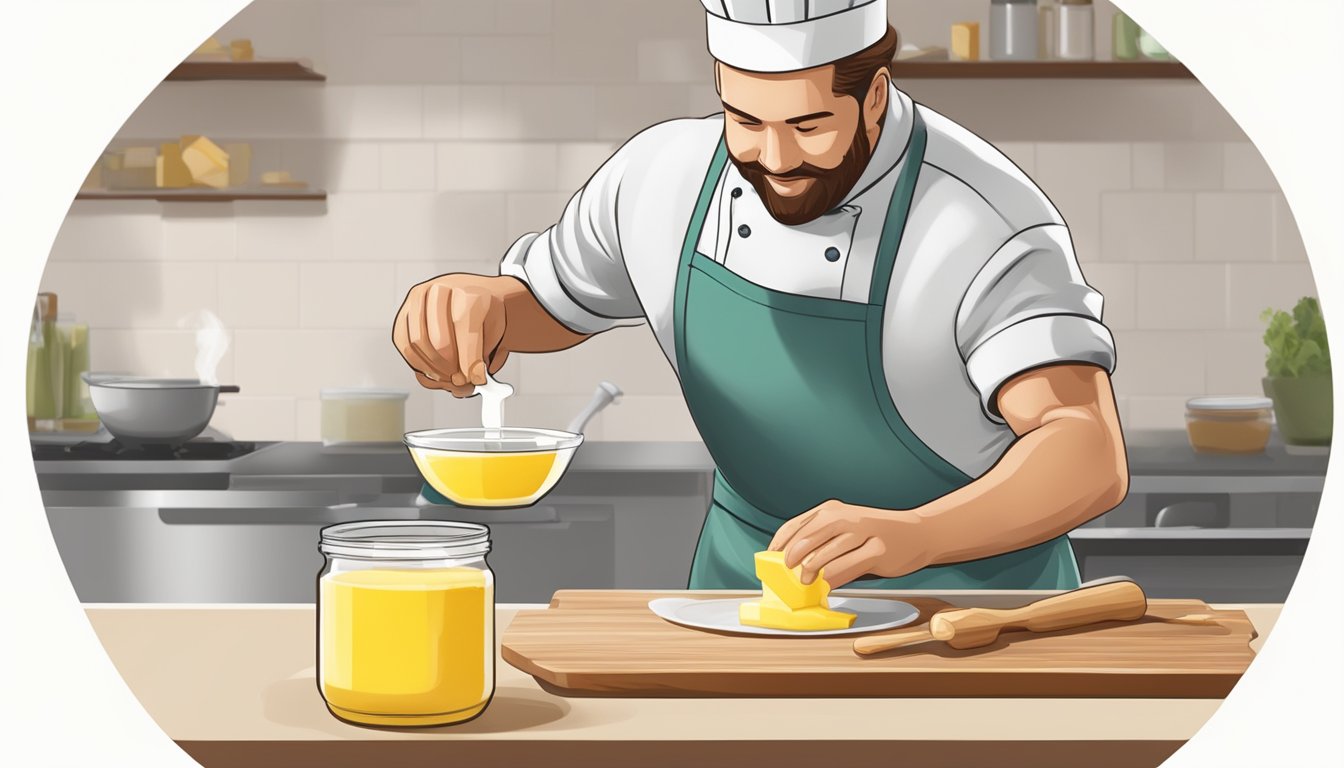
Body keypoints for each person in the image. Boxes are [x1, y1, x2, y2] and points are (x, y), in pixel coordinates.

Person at [393, 0, 1128, 591]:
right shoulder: (661, 177)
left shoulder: (980, 220)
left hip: (967, 604)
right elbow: (547, 303)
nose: (773, 160)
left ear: (875, 95)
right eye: (745, 121)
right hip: (745, 591)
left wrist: (919, 535)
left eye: (809, 126)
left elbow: (1085, 449)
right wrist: (480, 305)